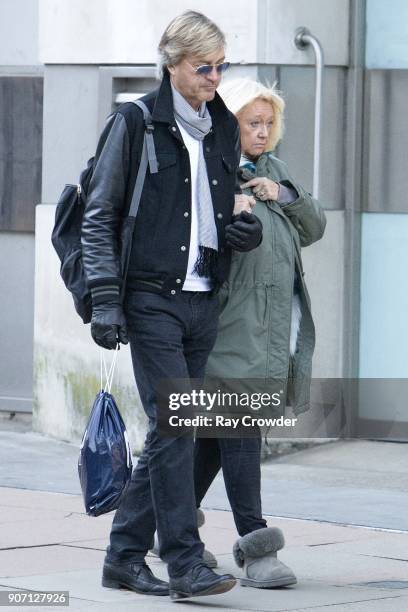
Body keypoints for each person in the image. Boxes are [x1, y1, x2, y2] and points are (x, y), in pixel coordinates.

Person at [81, 13, 262, 601]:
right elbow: (100, 213)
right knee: (174, 426)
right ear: (172, 65)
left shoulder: (225, 127)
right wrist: (106, 300)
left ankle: (123, 557)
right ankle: (185, 562)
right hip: (149, 298)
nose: (214, 77)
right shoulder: (135, 122)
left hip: (204, 299)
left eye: (220, 66)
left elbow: (229, 204)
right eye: (202, 67)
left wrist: (245, 233)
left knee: (170, 430)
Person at [193, 77, 327, 588]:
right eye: (253, 122)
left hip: (268, 331)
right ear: (230, 123)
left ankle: (172, 525)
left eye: (269, 124)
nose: (263, 132)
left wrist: (284, 193)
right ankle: (256, 548)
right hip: (228, 330)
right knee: (241, 434)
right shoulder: (211, 173)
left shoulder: (274, 171)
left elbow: (313, 228)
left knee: (211, 437)